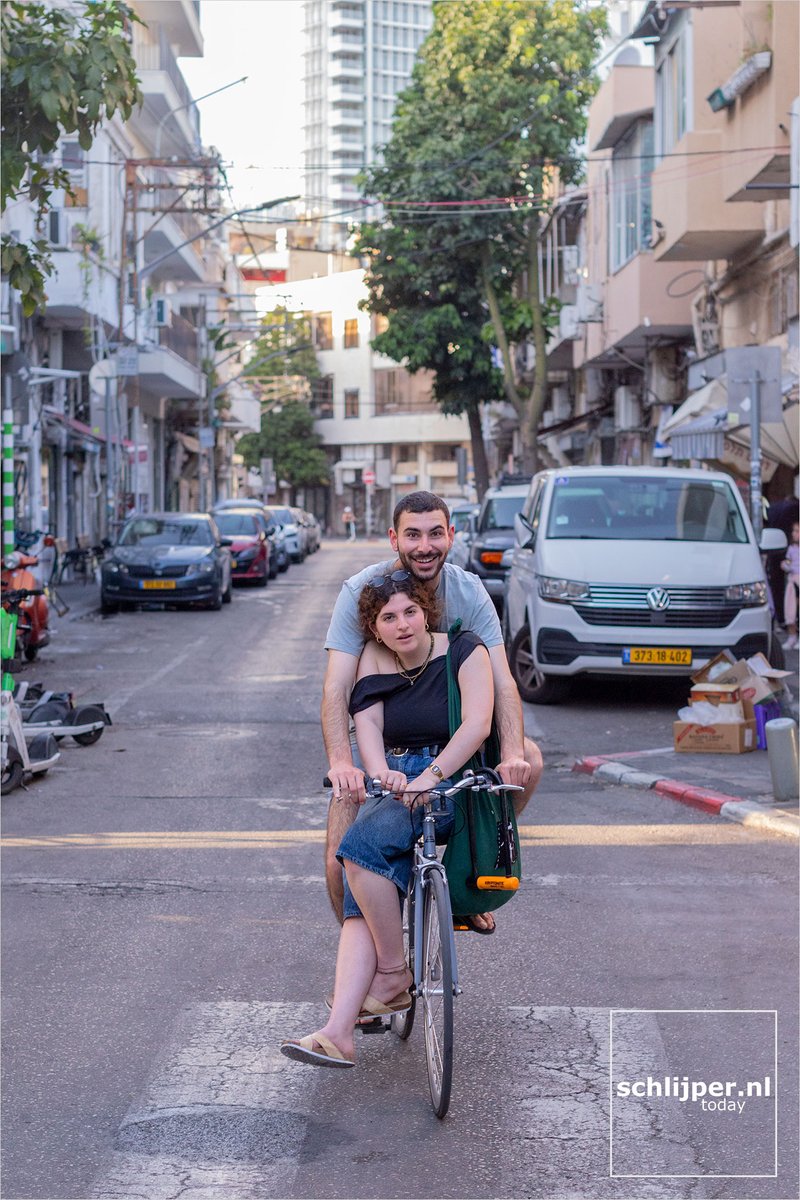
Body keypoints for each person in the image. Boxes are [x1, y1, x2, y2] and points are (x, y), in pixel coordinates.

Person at [281, 573, 494, 1068]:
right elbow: (369, 726)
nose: (402, 625)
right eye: (388, 618)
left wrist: (432, 776)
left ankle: (393, 974)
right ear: (375, 630)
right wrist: (381, 774)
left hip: (451, 779)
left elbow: (478, 724)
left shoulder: (465, 650)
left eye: (410, 612)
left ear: (425, 611)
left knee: (358, 853)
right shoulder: (374, 661)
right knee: (362, 878)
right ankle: (338, 1033)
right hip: (397, 780)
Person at [322, 490, 542, 928]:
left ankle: (465, 875)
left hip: (456, 735)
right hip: (388, 744)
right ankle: (363, 946)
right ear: (393, 538)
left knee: (530, 762)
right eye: (413, 535)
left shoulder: (468, 590)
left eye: (435, 534)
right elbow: (336, 687)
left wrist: (513, 752)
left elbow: (502, 680)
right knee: (337, 857)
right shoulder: (362, 592)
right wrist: (342, 764)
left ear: (451, 536)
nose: (425, 546)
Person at [781, 521, 799, 651]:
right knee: (790, 609)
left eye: (797, 531)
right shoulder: (792, 548)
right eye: (793, 531)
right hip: (793, 581)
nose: (794, 534)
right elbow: (788, 561)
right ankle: (792, 636)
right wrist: (786, 565)